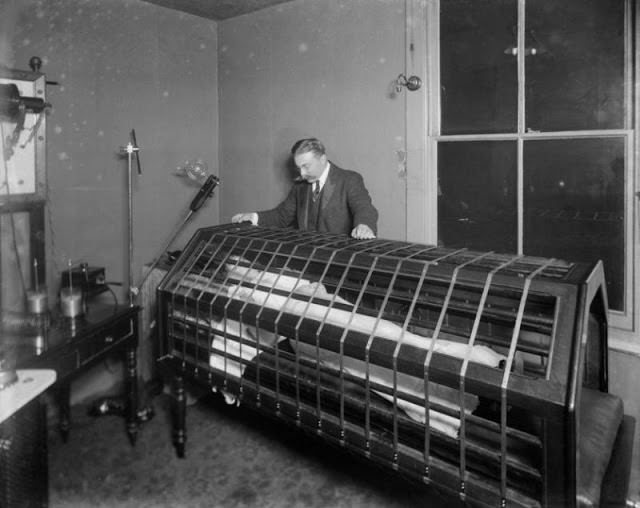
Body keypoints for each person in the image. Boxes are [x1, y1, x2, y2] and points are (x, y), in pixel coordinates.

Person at [231, 138, 378, 239]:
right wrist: (254, 217)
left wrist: (364, 225)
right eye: (299, 167)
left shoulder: (349, 179)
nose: (301, 173)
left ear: (322, 159)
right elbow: (282, 216)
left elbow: (364, 208)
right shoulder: (300, 186)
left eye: (306, 166)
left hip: (339, 263)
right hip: (309, 261)